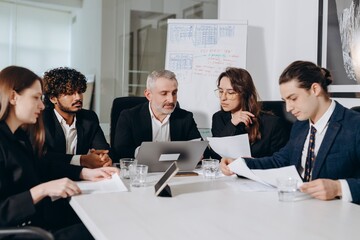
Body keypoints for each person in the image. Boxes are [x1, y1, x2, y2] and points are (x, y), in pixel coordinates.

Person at [0, 66, 118, 239]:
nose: (42, 105)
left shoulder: (19, 136)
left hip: (38, 217)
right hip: (24, 231)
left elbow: (43, 165)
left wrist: (86, 172)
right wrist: (42, 190)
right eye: (36, 98)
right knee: (102, 232)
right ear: (12, 97)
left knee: (107, 219)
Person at [220, 60, 360, 204]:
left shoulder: (355, 125)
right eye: (285, 100)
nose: (288, 108)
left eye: (293, 98)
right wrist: (239, 164)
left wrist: (339, 188)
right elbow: (280, 161)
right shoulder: (301, 126)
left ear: (315, 89)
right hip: (300, 206)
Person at [113, 69, 202, 159]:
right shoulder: (129, 117)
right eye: (164, 93)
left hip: (176, 170)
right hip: (142, 170)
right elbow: (121, 150)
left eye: (174, 93)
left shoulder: (185, 117)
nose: (171, 100)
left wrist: (198, 154)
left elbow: (201, 148)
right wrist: (145, 152)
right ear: (148, 95)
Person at [43, 67, 112, 169]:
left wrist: (104, 158)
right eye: (70, 93)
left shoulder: (89, 118)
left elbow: (103, 149)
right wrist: (82, 160)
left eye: (80, 92)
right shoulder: (42, 120)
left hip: (83, 180)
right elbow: (44, 157)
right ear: (53, 99)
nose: (78, 97)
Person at [212, 67, 289, 158]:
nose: (223, 97)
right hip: (227, 172)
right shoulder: (218, 117)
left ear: (244, 94)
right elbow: (215, 155)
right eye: (221, 91)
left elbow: (280, 161)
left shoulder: (271, 123)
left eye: (230, 93)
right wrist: (232, 124)